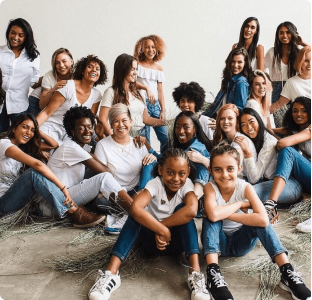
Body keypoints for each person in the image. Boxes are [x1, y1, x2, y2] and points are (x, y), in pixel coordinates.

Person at [88, 149, 211, 300]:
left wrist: (163, 227)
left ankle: (196, 275)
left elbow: (192, 210)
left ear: (188, 172)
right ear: (160, 170)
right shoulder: (155, 183)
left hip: (177, 243)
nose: (176, 178)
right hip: (151, 241)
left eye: (182, 173)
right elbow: (135, 207)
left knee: (184, 212)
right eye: (170, 172)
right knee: (135, 216)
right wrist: (159, 229)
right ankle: (111, 274)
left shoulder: (187, 186)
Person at [202, 145, 311, 300]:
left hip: (241, 244)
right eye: (218, 169)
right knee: (210, 220)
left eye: (230, 168)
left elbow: (263, 219)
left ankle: (287, 272)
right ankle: (213, 275)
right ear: (210, 170)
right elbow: (213, 216)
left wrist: (230, 211)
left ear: (239, 168)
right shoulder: (210, 187)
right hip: (217, 243)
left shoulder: (245, 187)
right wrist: (239, 205)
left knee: (260, 223)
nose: (224, 174)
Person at [0, 114, 105, 228]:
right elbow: (37, 164)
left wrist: (37, 133)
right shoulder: (4, 144)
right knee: (33, 173)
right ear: (14, 127)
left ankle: (65, 208)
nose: (28, 133)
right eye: (25, 127)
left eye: (32, 130)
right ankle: (74, 213)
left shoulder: (22, 148)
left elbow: (54, 145)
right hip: (3, 204)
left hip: (15, 199)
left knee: (39, 169)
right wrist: (63, 188)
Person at [45, 106, 134, 218]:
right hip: (58, 203)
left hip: (67, 196)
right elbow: (106, 172)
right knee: (104, 178)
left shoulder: (82, 147)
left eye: (90, 127)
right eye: (82, 128)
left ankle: (129, 211)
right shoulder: (72, 148)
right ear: (72, 131)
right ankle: (137, 212)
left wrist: (100, 135)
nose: (88, 131)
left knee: (103, 181)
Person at [95, 104, 157, 235]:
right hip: (117, 194)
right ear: (111, 125)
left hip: (137, 190)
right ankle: (137, 211)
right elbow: (103, 178)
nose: (120, 125)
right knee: (100, 201)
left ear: (131, 122)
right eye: (115, 121)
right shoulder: (102, 145)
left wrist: (152, 157)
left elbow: (151, 171)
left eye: (124, 120)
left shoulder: (139, 143)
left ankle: (126, 215)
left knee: (150, 162)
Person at [237, 108, 302, 224]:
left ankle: (266, 213)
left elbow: (254, 178)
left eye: (251, 121)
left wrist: (248, 153)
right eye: (243, 124)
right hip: (269, 185)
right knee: (243, 190)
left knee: (249, 192)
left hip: (290, 185)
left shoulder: (269, 142)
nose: (249, 127)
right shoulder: (254, 140)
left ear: (259, 121)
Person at [254, 97, 311, 224]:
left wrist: (276, 139)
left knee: (288, 151)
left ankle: (271, 203)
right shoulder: (297, 130)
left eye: (303, 111)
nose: (299, 114)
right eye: (295, 111)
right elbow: (269, 130)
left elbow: (282, 144)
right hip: (307, 177)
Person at [37, 55, 107, 145]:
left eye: (97, 69)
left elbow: (89, 122)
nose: (94, 70)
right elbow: (47, 112)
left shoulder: (96, 95)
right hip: (51, 129)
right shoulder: (68, 86)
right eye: (90, 67)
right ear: (82, 70)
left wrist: (101, 137)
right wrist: (32, 128)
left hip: (72, 136)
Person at [99, 53, 165, 139]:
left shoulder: (140, 92)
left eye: (136, 69)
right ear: (123, 70)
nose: (135, 73)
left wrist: (166, 122)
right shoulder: (111, 92)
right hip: (123, 135)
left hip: (142, 135)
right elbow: (102, 120)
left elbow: (146, 119)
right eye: (132, 69)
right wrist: (114, 139)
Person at [0, 18, 41, 132]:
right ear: (8, 32)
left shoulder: (34, 56)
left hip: (19, 104)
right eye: (13, 33)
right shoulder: (0, 52)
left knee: (18, 138)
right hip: (0, 104)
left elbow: (34, 81)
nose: (16, 37)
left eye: (21, 35)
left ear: (26, 37)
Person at [265, 22, 308, 127]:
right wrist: (268, 82)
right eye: (281, 33)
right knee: (281, 124)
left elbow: (309, 55)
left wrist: (303, 44)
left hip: (294, 88)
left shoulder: (299, 52)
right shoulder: (272, 52)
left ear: (294, 34)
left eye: (288, 32)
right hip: (277, 89)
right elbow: (260, 70)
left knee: (297, 123)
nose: (284, 36)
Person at [134, 35, 169, 154]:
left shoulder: (158, 68)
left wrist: (163, 110)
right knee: (145, 139)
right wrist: (146, 88)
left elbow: (160, 91)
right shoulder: (137, 64)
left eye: (153, 47)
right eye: (147, 47)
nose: (150, 50)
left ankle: (163, 162)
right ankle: (149, 162)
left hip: (155, 106)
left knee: (166, 137)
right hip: (141, 105)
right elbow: (131, 82)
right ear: (142, 49)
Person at [173, 111, 212, 201]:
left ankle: (193, 198)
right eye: (178, 127)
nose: (181, 131)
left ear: (195, 129)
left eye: (186, 127)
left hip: (199, 194)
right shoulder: (182, 146)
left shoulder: (197, 149)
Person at [203, 48, 251, 119]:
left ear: (245, 63)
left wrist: (218, 123)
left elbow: (238, 110)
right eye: (233, 61)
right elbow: (215, 105)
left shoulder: (241, 82)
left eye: (239, 62)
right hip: (215, 117)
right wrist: (201, 116)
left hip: (225, 121)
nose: (235, 65)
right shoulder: (228, 80)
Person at [212, 104, 257, 178]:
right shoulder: (226, 140)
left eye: (230, 118)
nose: (226, 122)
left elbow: (228, 168)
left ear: (236, 121)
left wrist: (202, 160)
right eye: (222, 118)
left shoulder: (239, 140)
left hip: (244, 180)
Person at [270, 46, 311, 116]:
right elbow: (279, 104)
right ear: (300, 61)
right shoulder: (291, 82)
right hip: (301, 122)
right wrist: (258, 113)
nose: (310, 64)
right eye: (306, 61)